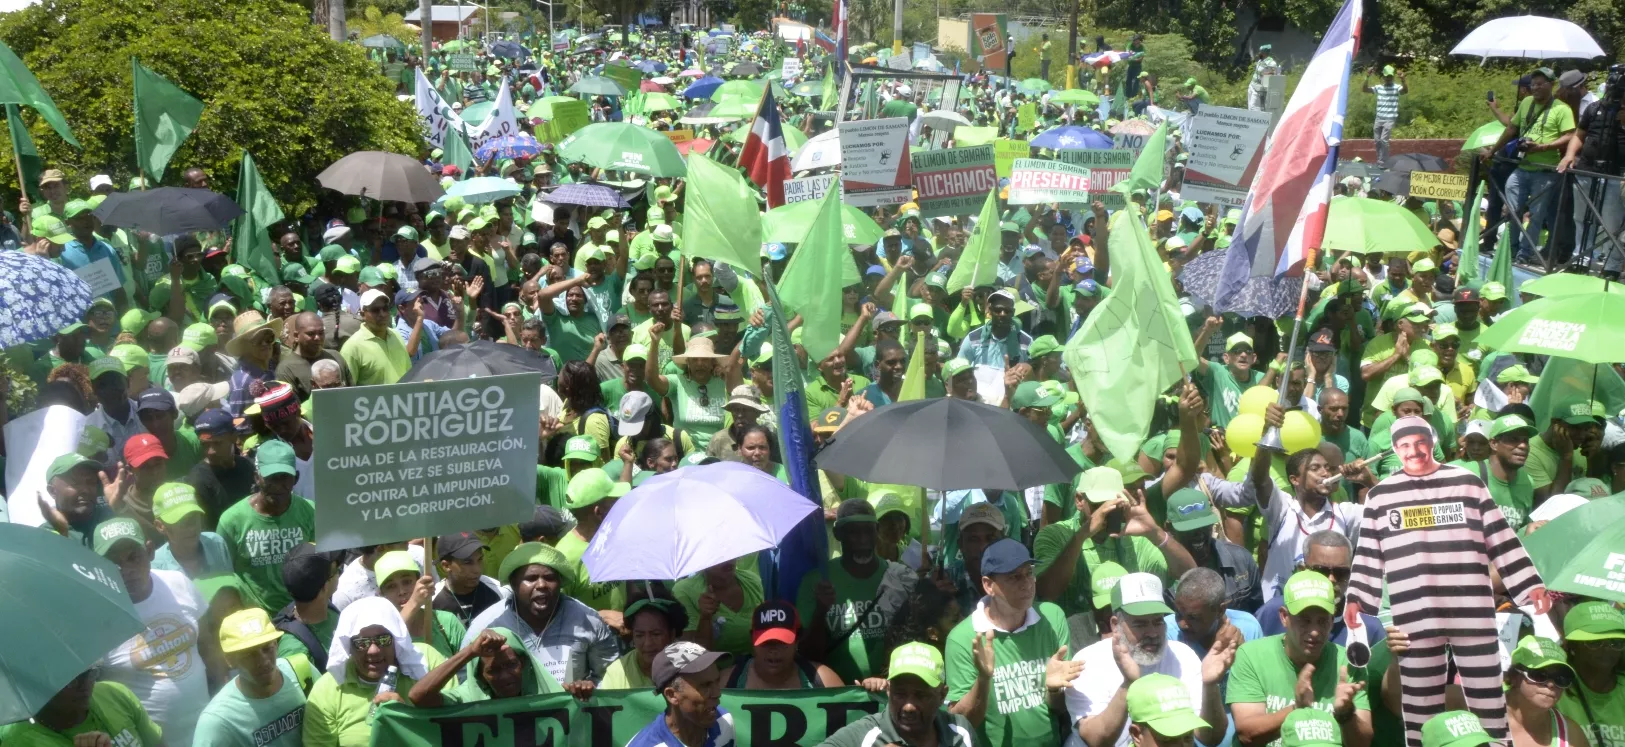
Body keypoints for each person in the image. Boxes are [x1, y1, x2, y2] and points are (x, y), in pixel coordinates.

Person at [1347, 415, 1549, 746]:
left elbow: (1501, 539)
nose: (1415, 450)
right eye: (1405, 444)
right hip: (1415, 612)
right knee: (1418, 703)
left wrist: (1529, 586)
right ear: (1396, 450)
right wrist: (1357, 601)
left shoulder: (1467, 483)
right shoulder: (1381, 496)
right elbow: (1368, 554)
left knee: (1487, 695)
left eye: (1421, 441)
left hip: (1470, 607)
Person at [1066, 572, 1235, 747]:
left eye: (1158, 621)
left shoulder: (1183, 657)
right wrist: (1128, 684)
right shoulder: (1088, 661)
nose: (1153, 633)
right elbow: (1095, 740)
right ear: (1115, 625)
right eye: (1140, 624)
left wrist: (1210, 685)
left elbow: (1210, 737)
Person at [945, 538, 1083, 747]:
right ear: (988, 585)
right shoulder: (963, 638)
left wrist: (1054, 691)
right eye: (1014, 577)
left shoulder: (1052, 618)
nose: (1026, 583)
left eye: (1029, 573)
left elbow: (1063, 708)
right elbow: (962, 723)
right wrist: (983, 679)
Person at [95, 516, 212, 747]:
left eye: (133, 557)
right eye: (113, 563)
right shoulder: (95, 615)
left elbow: (208, 644)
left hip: (205, 732)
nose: (126, 570)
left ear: (149, 551)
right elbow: (95, 694)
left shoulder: (178, 582)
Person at [1227, 571, 1372, 746]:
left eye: (1322, 621)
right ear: (1284, 617)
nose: (1314, 631)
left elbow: (1363, 743)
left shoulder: (1348, 665)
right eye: (1304, 620)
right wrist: (1297, 707)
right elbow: (1247, 734)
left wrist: (1346, 714)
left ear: (1333, 621)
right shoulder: (1251, 656)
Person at [463, 542, 619, 688]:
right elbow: (467, 683)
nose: (542, 585)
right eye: (531, 578)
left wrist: (587, 689)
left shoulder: (588, 620)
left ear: (560, 583)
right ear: (514, 584)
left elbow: (612, 677)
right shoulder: (486, 626)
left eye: (550, 578)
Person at [796, 499, 914, 683]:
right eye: (853, 532)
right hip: (838, 695)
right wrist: (821, 611)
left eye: (868, 530)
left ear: (877, 532)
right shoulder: (816, 581)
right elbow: (808, 655)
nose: (862, 539)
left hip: (892, 690)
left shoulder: (901, 578)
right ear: (837, 534)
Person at [302, 597, 440, 747]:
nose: (373, 650)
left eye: (383, 639)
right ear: (348, 647)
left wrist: (405, 719)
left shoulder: (426, 663)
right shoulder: (327, 691)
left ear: (396, 639)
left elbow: (455, 725)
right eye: (362, 643)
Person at [216, 440, 316, 613]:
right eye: (271, 478)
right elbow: (222, 577)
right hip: (257, 621)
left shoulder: (310, 512)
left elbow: (322, 565)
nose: (278, 485)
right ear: (257, 478)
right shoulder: (232, 520)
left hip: (302, 614)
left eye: (284, 477)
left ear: (296, 478)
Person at [1490, 67, 1577, 263]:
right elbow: (1512, 128)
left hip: (1546, 171)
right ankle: (1508, 251)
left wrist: (1543, 146)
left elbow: (1570, 135)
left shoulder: (1562, 109)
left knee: (1536, 216)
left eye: (1540, 84)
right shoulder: (1527, 102)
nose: (1535, 88)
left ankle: (1524, 255)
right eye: (1533, 84)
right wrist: (1493, 150)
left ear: (1551, 85)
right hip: (1522, 167)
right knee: (1511, 212)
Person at [819, 643, 979, 747]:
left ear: (942, 695)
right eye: (900, 694)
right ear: (888, 691)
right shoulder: (865, 735)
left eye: (921, 695)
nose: (909, 706)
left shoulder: (960, 731)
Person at [193, 608, 309, 746]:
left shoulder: (301, 671)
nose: (264, 660)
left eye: (267, 648)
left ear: (276, 645)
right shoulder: (219, 721)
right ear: (230, 660)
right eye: (249, 654)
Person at [1256, 531, 1385, 648]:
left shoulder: (1368, 628)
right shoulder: (1272, 614)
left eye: (1341, 573)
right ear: (1302, 570)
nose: (1331, 579)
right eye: (1321, 571)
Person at [0, 666, 163, 746]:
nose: (85, 685)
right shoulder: (18, 741)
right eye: (70, 680)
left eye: (90, 673)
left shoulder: (114, 693)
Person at [405, 627, 565, 707]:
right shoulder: (467, 698)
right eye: (493, 670)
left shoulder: (546, 692)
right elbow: (419, 696)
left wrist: (583, 693)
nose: (505, 676)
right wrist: (470, 652)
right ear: (480, 676)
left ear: (523, 663)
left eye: (511, 665)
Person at [626, 642, 736, 747]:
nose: (717, 693)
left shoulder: (724, 721)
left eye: (717, 681)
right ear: (672, 695)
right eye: (705, 685)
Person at [555, 468, 630, 613]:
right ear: (599, 512)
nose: (620, 505)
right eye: (614, 501)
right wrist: (601, 616)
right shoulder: (564, 558)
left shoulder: (615, 537)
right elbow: (557, 615)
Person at [723, 601, 844, 689]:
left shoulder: (825, 681)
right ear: (752, 640)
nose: (774, 650)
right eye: (766, 642)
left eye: (782, 642)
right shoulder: (726, 683)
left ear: (797, 640)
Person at [373, 550, 467, 659]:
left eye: (407, 582)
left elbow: (469, 666)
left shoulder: (447, 622)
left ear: (419, 581)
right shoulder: (378, 634)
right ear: (382, 594)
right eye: (391, 586)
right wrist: (414, 602)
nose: (402, 591)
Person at [1557, 601, 1625, 747]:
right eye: (1595, 643)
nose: (1607, 649)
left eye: (1616, 642)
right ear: (1572, 646)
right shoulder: (1553, 691)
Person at [1504, 636, 1593, 747]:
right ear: (1515, 677)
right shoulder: (1483, 721)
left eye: (1560, 678)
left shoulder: (1571, 736)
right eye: (1539, 675)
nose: (1551, 685)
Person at [273, 543, 341, 686]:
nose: (340, 573)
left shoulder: (329, 609)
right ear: (324, 587)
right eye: (336, 571)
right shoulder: (295, 650)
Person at [675, 561, 766, 658]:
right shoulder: (684, 590)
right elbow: (691, 656)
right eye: (718, 556)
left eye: (729, 551)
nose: (728, 560)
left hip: (755, 665)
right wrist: (705, 617)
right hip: (712, 668)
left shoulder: (752, 580)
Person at [602, 597, 688, 690]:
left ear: (671, 634)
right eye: (639, 635)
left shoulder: (688, 667)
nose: (648, 643)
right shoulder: (617, 672)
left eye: (656, 634)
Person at [430, 531, 504, 626]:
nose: (477, 569)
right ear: (446, 566)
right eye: (467, 562)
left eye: (480, 559)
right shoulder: (432, 603)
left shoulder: (498, 591)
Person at [340, 289, 411, 386]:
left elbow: (408, 374)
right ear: (362, 314)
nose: (382, 314)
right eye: (375, 310)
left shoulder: (397, 336)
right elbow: (347, 390)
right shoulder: (352, 347)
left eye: (385, 308)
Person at [1362, 65, 1406, 166]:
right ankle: (1380, 159)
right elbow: (1364, 89)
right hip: (1379, 118)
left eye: (1390, 76)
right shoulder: (1379, 88)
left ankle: (1384, 161)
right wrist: (1367, 76)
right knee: (1377, 141)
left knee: (1384, 140)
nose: (1388, 78)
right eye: (1387, 76)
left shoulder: (1396, 87)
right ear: (1383, 77)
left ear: (1393, 77)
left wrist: (1403, 80)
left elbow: (1405, 91)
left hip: (1390, 118)